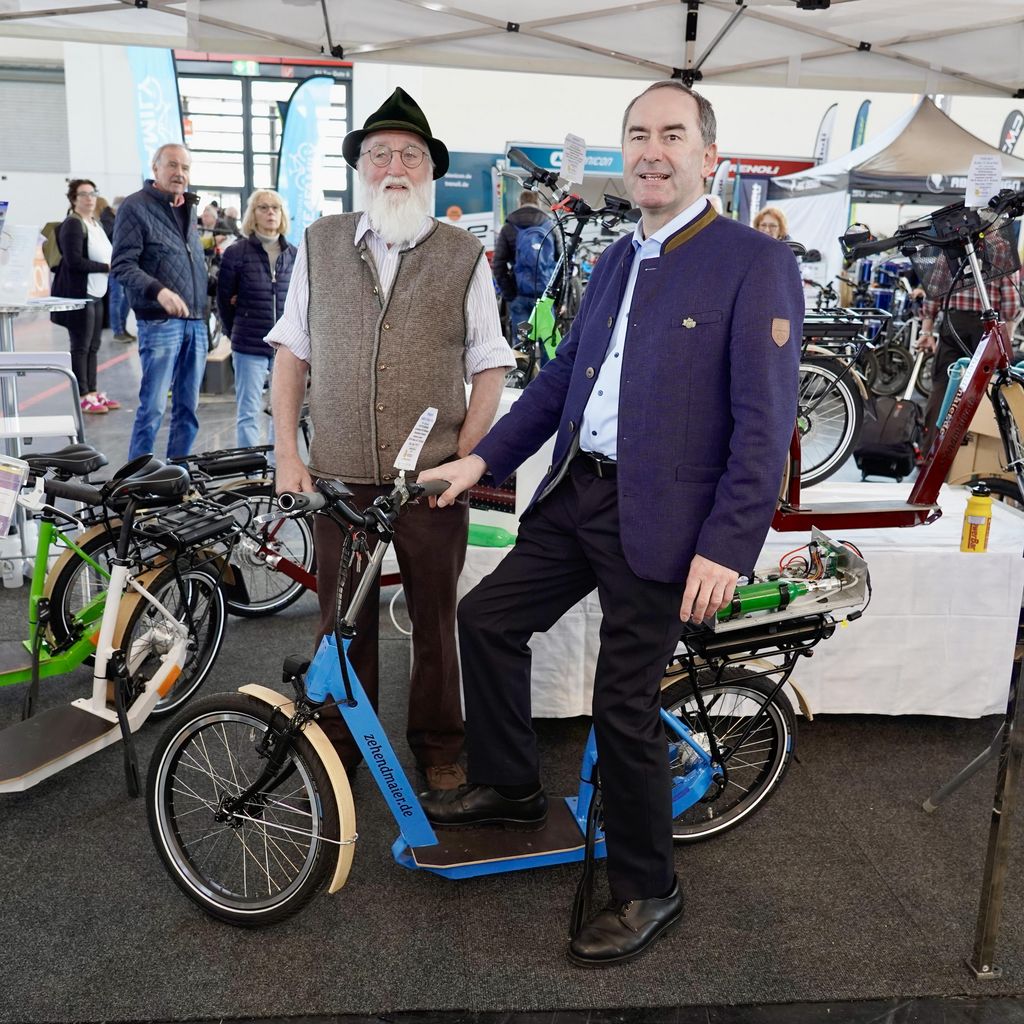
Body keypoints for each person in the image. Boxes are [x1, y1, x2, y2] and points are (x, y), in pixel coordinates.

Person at [417, 81, 803, 966]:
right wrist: (482, 462)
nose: (652, 151)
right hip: (579, 494)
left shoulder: (752, 259)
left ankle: (648, 887)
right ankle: (512, 785)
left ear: (710, 154)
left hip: (670, 518)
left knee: (620, 707)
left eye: (673, 135)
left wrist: (727, 542)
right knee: (487, 618)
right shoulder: (620, 257)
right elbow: (560, 384)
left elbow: (766, 421)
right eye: (638, 135)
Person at [268, 87, 514, 792]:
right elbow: (292, 353)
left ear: (430, 171)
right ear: (362, 169)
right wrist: (289, 453)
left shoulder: (464, 254)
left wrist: (466, 458)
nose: (394, 166)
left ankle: (439, 748)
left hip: (431, 482)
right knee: (341, 622)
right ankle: (342, 744)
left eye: (409, 154)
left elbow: (490, 364)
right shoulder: (318, 243)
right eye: (379, 154)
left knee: (438, 619)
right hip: (339, 476)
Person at [111, 143, 209, 460]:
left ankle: (176, 476)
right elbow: (123, 265)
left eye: (185, 167)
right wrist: (159, 291)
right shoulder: (135, 207)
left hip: (195, 320)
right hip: (160, 321)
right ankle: (136, 481)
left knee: (188, 408)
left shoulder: (188, 207)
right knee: (153, 407)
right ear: (155, 169)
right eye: (172, 165)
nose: (179, 173)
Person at [217, 189, 296, 448]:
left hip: (285, 347)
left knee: (281, 413)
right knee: (248, 411)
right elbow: (223, 301)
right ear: (253, 214)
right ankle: (250, 472)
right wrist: (235, 333)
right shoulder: (235, 253)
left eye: (275, 207)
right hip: (248, 344)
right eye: (263, 207)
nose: (270, 212)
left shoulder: (295, 255)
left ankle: (277, 468)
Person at [918, 269, 1021, 444]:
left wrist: (926, 331)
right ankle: (971, 454)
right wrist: (1007, 338)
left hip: (953, 323)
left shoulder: (951, 243)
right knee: (986, 389)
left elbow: (933, 291)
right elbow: (1010, 301)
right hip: (987, 327)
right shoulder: (1000, 247)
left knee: (943, 385)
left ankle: (930, 450)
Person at [49, 179, 121, 414]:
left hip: (96, 293)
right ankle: (82, 394)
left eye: (92, 193)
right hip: (80, 293)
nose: (89, 198)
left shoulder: (95, 223)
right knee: (80, 346)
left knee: (93, 345)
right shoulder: (73, 224)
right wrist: (106, 267)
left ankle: (92, 391)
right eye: (83, 194)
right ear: (74, 199)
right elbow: (74, 261)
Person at [492, 190, 559, 340]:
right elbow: (562, 262)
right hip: (545, 296)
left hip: (519, 295)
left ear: (519, 203)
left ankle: (523, 361)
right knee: (548, 342)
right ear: (539, 203)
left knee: (522, 344)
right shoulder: (550, 226)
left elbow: (498, 265)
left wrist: (510, 294)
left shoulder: (508, 228)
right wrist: (556, 295)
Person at [102, 196, 135, 343]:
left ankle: (122, 328)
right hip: (114, 264)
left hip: (125, 264)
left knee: (126, 298)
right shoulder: (108, 221)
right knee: (116, 297)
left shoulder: (117, 220)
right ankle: (118, 330)